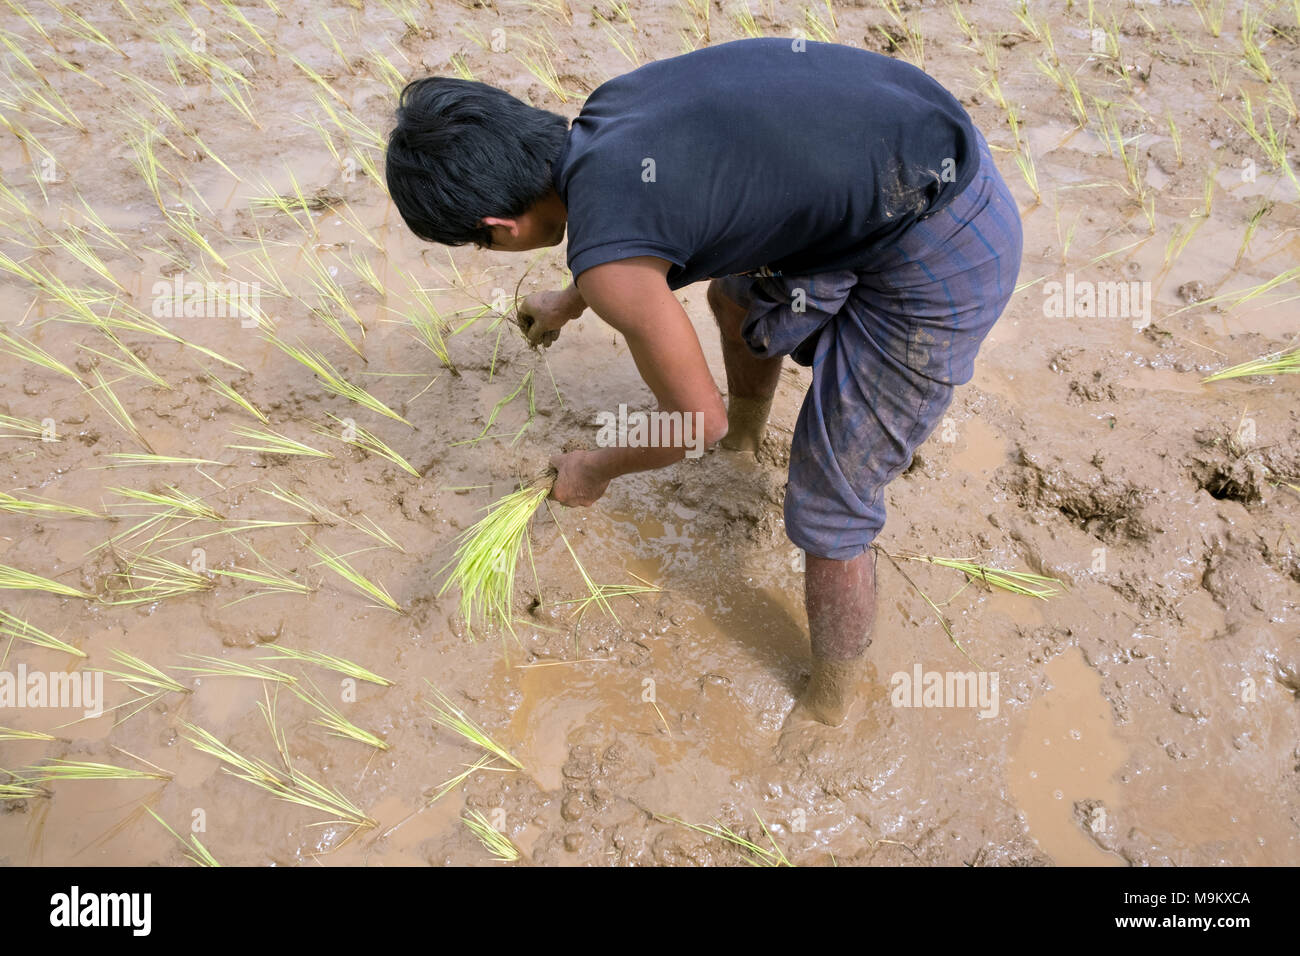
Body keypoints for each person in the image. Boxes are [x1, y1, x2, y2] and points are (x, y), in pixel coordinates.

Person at [385, 38, 1023, 727]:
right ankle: (749, 445)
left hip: (949, 238)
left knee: (830, 503)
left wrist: (595, 468)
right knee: (735, 297)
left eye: (480, 243)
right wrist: (569, 300)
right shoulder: (612, 109)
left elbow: (694, 422)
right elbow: (644, 214)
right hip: (905, 166)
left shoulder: (611, 266)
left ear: (497, 227)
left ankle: (830, 705)